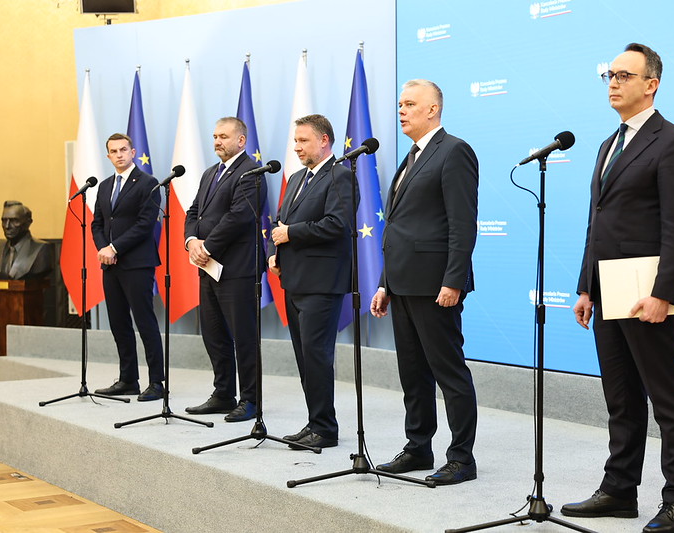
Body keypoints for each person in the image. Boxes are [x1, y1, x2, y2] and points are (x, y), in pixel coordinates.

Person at [560, 43, 674, 533]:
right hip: (608, 290)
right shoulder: (608, 144)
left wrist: (663, 293)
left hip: (648, 292)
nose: (613, 82)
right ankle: (620, 489)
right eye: (610, 75)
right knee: (621, 398)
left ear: (651, 84)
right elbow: (597, 223)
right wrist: (586, 287)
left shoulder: (673, 142)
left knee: (668, 400)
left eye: (624, 75)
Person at [370, 79, 479, 485]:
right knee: (413, 374)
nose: (401, 110)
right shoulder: (411, 156)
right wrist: (385, 283)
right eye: (400, 104)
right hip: (402, 283)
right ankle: (418, 447)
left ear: (433, 109)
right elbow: (398, 228)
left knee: (449, 372)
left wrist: (454, 280)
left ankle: (461, 458)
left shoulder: (454, 151)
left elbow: (463, 223)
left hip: (436, 286)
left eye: (410, 104)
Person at [268, 114, 357, 450]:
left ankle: (325, 429)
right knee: (305, 357)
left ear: (324, 140)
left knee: (317, 356)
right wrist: (276, 254)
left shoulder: (341, 175)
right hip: (294, 280)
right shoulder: (296, 178)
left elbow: (337, 224)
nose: (297, 147)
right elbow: (281, 223)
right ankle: (315, 422)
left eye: (303, 140)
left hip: (322, 283)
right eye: (295, 141)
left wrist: (291, 234)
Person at [184, 117, 265, 422]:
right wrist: (191, 240)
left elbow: (239, 217)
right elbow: (194, 211)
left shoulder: (251, 172)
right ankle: (223, 394)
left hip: (237, 268)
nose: (217, 141)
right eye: (215, 136)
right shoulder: (210, 173)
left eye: (224, 136)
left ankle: (251, 400)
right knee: (214, 333)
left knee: (244, 336)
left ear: (241, 140)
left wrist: (207, 247)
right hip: (208, 268)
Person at [92, 133, 164, 402]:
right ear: (108, 156)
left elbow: (145, 224)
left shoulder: (148, 183)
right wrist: (104, 248)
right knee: (118, 322)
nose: (119, 155)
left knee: (145, 322)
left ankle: (156, 382)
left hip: (137, 263)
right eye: (114, 151)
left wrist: (115, 248)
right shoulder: (104, 186)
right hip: (110, 265)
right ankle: (128, 380)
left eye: (123, 149)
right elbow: (97, 223)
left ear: (133, 152)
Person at [0, 201, 53, 280]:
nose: (7, 226)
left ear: (28, 222)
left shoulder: (41, 249)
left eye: (14, 221)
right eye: (4, 220)